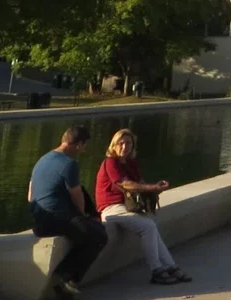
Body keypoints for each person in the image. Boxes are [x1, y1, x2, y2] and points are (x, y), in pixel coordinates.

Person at [96, 129, 191, 286]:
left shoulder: (131, 164)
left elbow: (140, 185)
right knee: (148, 227)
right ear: (114, 145)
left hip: (126, 207)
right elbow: (125, 184)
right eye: (121, 143)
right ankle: (157, 270)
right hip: (110, 209)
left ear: (133, 146)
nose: (124, 147)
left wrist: (156, 188)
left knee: (152, 228)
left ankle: (171, 267)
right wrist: (152, 187)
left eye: (128, 143)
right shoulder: (110, 162)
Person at [29, 125, 108, 299]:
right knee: (99, 235)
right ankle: (65, 277)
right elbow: (77, 195)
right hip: (56, 219)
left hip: (39, 219)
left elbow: (30, 194)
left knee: (84, 232)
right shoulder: (69, 164)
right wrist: (84, 217)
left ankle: (64, 284)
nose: (83, 150)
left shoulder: (43, 159)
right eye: (84, 146)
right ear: (79, 144)